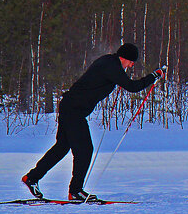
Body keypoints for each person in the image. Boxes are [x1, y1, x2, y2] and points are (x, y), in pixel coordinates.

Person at [21, 43, 165, 202]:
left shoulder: (109, 62)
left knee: (62, 147)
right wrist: (154, 76)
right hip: (74, 110)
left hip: (70, 107)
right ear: (124, 57)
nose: (132, 65)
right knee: (85, 149)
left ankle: (32, 178)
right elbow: (132, 86)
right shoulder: (111, 66)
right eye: (131, 61)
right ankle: (75, 191)